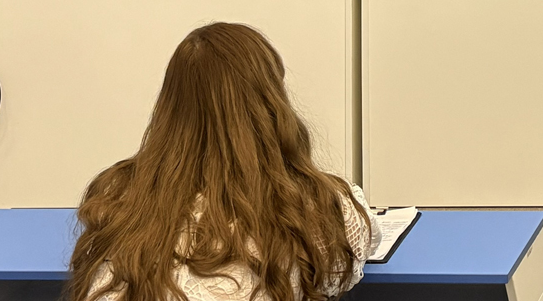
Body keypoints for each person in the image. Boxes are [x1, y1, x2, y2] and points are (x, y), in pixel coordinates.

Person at [69, 22, 380, 301]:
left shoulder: (118, 196)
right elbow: (361, 243)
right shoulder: (318, 207)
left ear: (170, 106)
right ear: (271, 105)